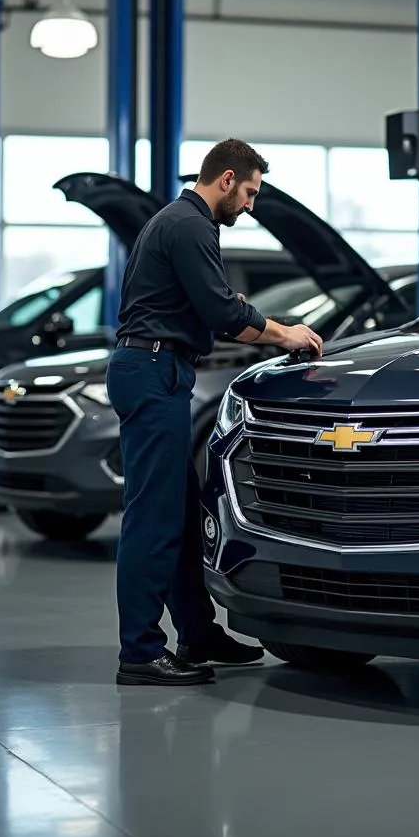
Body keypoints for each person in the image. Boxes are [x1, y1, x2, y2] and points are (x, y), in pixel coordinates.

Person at [107, 138, 324, 687]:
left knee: (177, 512)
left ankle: (198, 633)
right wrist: (284, 334)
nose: (250, 205)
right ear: (226, 179)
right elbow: (222, 310)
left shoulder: (179, 222)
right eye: (250, 193)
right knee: (152, 518)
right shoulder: (190, 225)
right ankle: (139, 650)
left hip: (161, 371)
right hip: (153, 373)